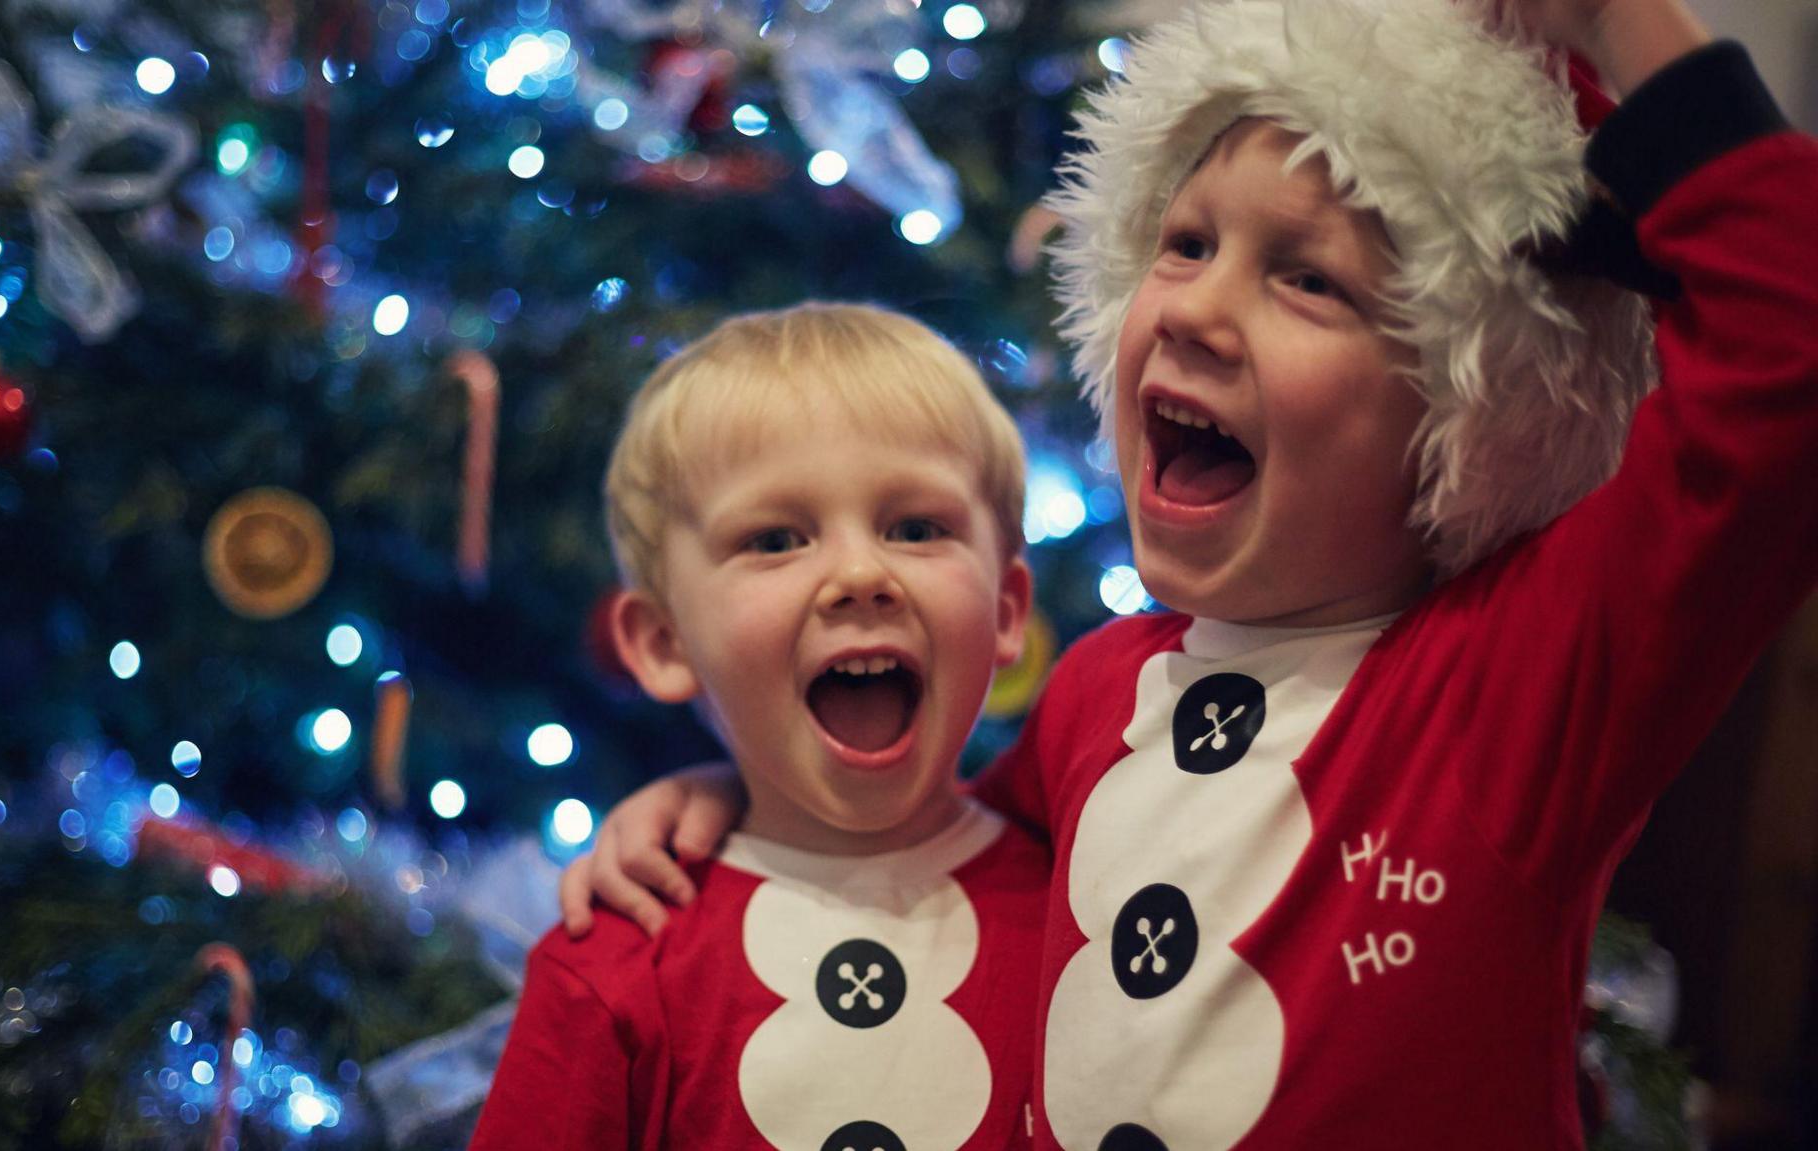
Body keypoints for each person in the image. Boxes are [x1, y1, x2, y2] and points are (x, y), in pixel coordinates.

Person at [559, 0, 1818, 1146]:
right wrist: (721, 798)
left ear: (1465, 403)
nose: (1196, 312)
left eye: (1305, 278)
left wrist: (1614, 22)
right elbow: (923, 842)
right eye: (1182, 243)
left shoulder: (1519, 677)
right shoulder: (1094, 693)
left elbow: (1786, 345)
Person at [471, 303, 1050, 1149]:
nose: (859, 573)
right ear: (665, 643)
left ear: (1005, 610)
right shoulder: (616, 963)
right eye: (776, 539)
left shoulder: (1090, 907)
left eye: (917, 528)